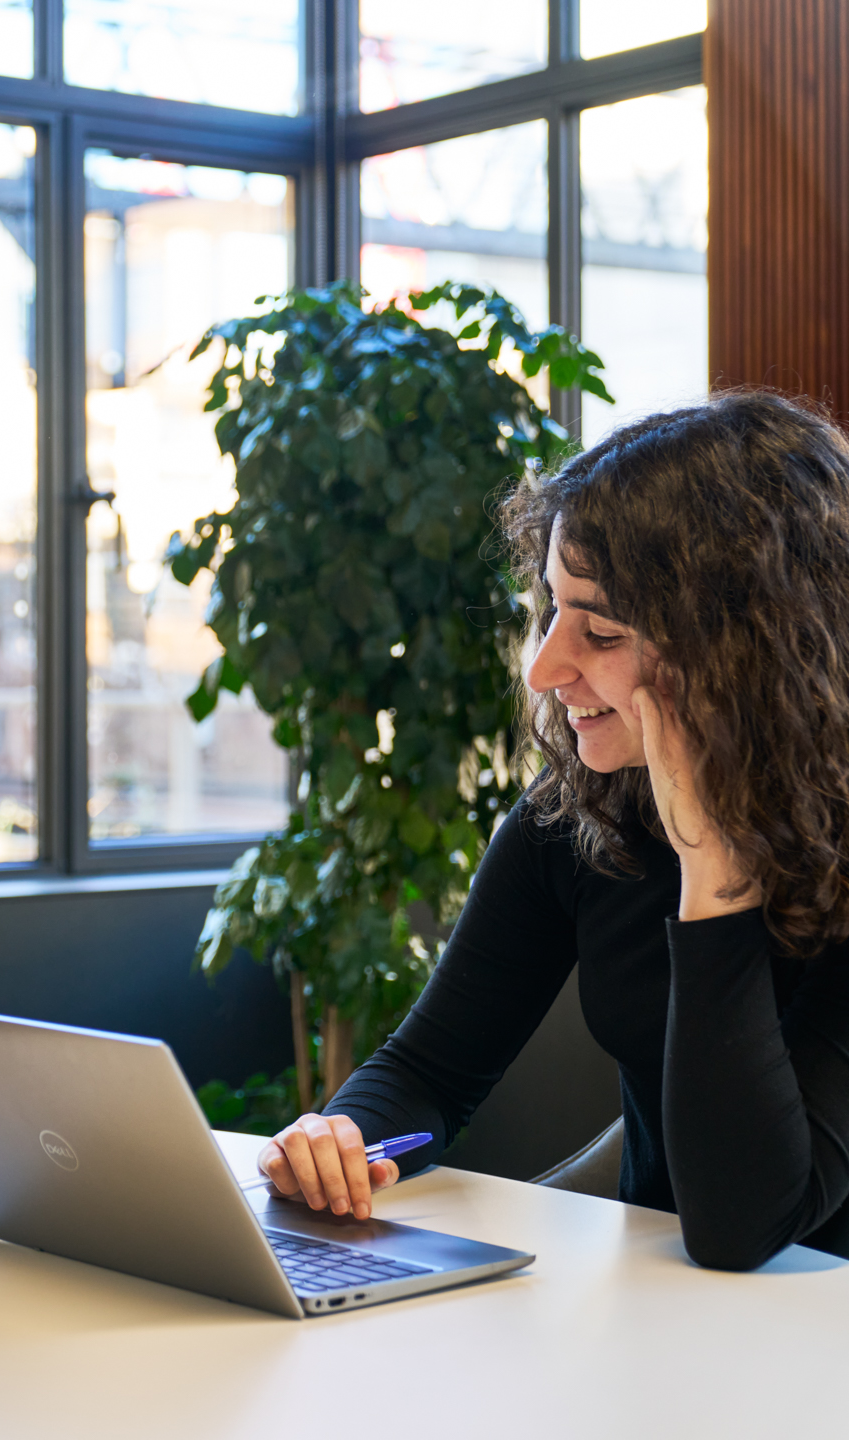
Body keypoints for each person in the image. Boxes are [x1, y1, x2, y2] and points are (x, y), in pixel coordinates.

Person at [256, 390, 849, 1270]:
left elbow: (748, 1225)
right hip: (661, 1328)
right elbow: (430, 1073)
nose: (544, 667)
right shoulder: (582, 809)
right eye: (551, 609)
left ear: (748, 652)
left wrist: (711, 863)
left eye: (600, 631)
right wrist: (339, 1138)